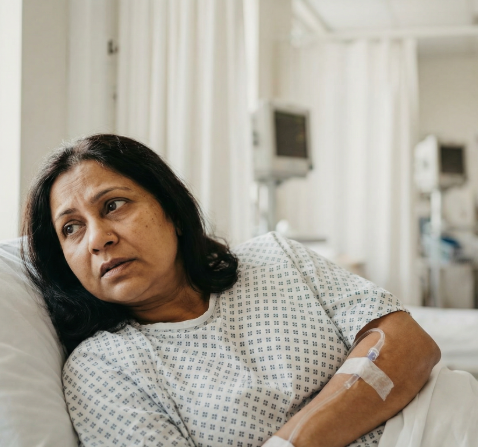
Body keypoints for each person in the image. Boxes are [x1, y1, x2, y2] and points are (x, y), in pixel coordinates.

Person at [22, 134, 441, 447]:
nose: (98, 239)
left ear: (173, 211)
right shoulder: (102, 370)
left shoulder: (277, 257)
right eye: (71, 228)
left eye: (113, 205)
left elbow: (409, 345)